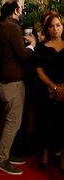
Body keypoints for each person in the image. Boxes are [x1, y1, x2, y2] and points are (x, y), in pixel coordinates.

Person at [0, 0, 36, 175]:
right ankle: (1, 159)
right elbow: (22, 55)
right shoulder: (12, 26)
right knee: (13, 124)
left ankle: (5, 154)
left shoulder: (2, 25)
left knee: (6, 123)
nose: (22, 12)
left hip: (4, 84)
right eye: (20, 9)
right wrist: (32, 45)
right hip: (13, 85)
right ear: (15, 10)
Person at [35, 13, 64, 173]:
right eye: (52, 26)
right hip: (47, 91)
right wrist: (55, 88)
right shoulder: (41, 47)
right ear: (47, 28)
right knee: (47, 122)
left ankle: (63, 158)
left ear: (63, 26)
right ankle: (45, 153)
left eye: (58, 25)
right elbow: (39, 72)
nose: (55, 28)